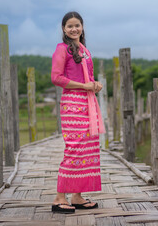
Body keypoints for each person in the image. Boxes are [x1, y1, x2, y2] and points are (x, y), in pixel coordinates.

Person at [50, 11, 105, 214]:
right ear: (64, 29)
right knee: (74, 149)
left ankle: (77, 196)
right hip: (72, 104)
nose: (74, 29)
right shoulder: (61, 49)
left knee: (87, 149)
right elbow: (56, 78)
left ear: (82, 27)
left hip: (87, 103)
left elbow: (88, 80)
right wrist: (85, 86)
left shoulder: (84, 50)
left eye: (77, 25)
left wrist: (94, 85)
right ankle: (59, 197)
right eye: (70, 26)